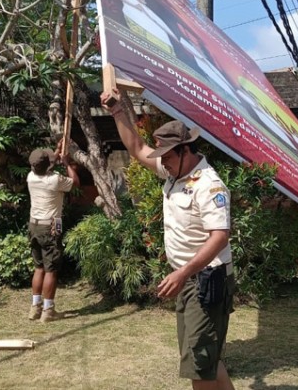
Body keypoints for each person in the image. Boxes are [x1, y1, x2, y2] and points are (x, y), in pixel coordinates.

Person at [101, 89, 236, 390]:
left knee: (199, 366)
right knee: (203, 359)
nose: (162, 162)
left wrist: (183, 272)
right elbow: (136, 147)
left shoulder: (209, 185)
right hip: (188, 279)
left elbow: (220, 237)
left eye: (168, 157)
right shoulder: (174, 171)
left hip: (206, 279)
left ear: (185, 151)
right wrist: (117, 111)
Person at [27, 145, 79, 323]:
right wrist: (66, 163)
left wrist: (57, 151)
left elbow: (46, 165)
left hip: (34, 225)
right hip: (52, 226)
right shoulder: (55, 179)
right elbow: (75, 182)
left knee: (39, 267)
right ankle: (48, 310)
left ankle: (35, 307)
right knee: (52, 270)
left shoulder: (31, 177)